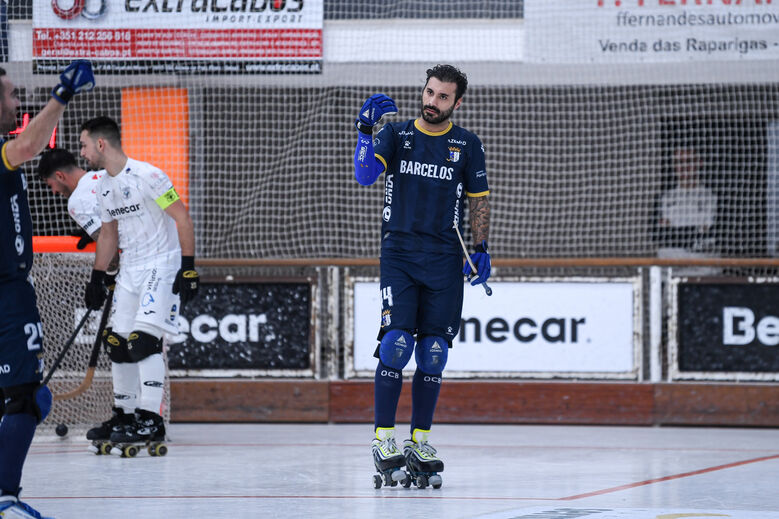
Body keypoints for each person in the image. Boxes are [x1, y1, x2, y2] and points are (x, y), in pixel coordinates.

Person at [353, 64, 491, 487]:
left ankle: (420, 441)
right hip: (400, 254)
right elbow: (364, 175)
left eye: (443, 97)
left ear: (457, 102)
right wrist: (365, 131)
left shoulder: (467, 145)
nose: (433, 102)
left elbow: (478, 201)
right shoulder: (395, 136)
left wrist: (481, 248)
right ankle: (383, 439)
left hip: (446, 259)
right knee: (396, 343)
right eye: (430, 93)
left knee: (434, 352)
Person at [0, 60, 94, 518]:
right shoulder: (5, 150)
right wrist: (63, 92)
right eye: (11, 96)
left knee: (24, 397)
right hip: (4, 293)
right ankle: (4, 500)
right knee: (25, 397)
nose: (17, 104)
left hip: (13, 287)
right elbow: (30, 143)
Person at [78, 116, 199, 449]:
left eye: (84, 145)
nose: (82, 152)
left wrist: (187, 267)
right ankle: (126, 414)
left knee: (143, 342)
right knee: (117, 343)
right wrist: (97, 277)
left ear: (101, 144)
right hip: (130, 268)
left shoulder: (150, 176)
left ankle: (151, 418)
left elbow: (182, 217)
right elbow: (108, 233)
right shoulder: (102, 185)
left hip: (161, 264)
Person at [37, 148, 130, 445]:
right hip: (150, 263)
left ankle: (132, 416)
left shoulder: (77, 201)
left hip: (134, 274)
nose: (53, 191)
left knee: (122, 344)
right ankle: (137, 413)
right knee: (136, 343)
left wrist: (101, 276)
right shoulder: (103, 177)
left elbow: (110, 247)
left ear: (61, 176)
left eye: (51, 184)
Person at [655, 147, 719, 276]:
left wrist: (674, 233)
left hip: (704, 272)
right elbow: (659, 237)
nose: (684, 167)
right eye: (679, 162)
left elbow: (712, 237)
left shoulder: (713, 197)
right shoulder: (664, 198)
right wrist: (697, 230)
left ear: (699, 162)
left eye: (689, 161)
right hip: (671, 271)